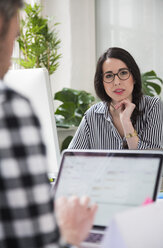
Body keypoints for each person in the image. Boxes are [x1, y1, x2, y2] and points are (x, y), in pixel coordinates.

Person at [0, 1, 97, 247]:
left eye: (123, 73)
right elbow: (72, 156)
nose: (13, 53)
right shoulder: (9, 109)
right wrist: (70, 233)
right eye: (15, 36)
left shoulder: (152, 108)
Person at [69, 47, 163, 150]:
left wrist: (126, 122)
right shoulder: (92, 115)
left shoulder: (153, 106)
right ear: (102, 82)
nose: (116, 82)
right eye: (109, 76)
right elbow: (72, 160)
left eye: (123, 73)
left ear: (134, 77)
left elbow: (151, 159)